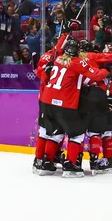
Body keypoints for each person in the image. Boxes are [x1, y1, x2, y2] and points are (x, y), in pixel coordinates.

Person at [39, 39, 110, 178]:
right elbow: (96, 75)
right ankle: (71, 165)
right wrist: (107, 71)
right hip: (65, 103)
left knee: (55, 133)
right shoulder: (77, 62)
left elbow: (43, 75)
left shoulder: (58, 58)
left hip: (47, 102)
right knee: (77, 134)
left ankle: (46, 163)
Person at [78, 40, 112, 174]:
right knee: (104, 131)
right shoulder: (101, 59)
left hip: (84, 97)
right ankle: (103, 160)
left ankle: (77, 160)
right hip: (106, 98)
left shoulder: (77, 59)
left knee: (79, 133)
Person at [32, 33, 69, 174]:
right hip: (49, 100)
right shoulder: (50, 57)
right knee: (50, 131)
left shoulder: (54, 57)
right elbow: (41, 75)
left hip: (48, 99)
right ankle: (42, 159)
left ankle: (48, 156)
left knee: (51, 131)